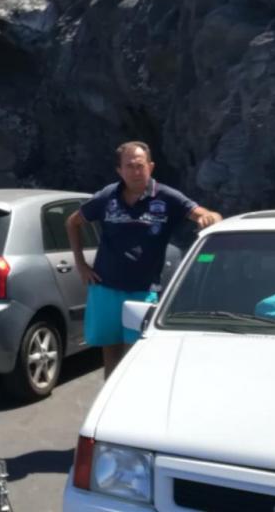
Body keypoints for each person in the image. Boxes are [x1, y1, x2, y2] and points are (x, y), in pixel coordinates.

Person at [66, 141, 221, 378]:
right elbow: (72, 222)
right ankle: (111, 396)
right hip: (105, 287)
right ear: (119, 170)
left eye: (140, 165)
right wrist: (80, 264)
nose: (135, 172)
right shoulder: (107, 196)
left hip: (143, 291)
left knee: (137, 355)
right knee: (111, 352)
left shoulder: (167, 197)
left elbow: (205, 213)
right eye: (129, 166)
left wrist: (209, 218)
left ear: (151, 166)